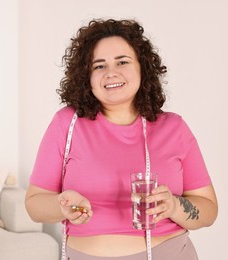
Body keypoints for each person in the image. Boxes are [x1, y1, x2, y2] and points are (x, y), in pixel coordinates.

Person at [25, 19, 218, 260]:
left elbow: (209, 211)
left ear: (142, 68)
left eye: (122, 62)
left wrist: (174, 206)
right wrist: (61, 206)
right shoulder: (68, 124)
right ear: (86, 76)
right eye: (99, 66)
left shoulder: (174, 127)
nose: (111, 72)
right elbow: (34, 205)